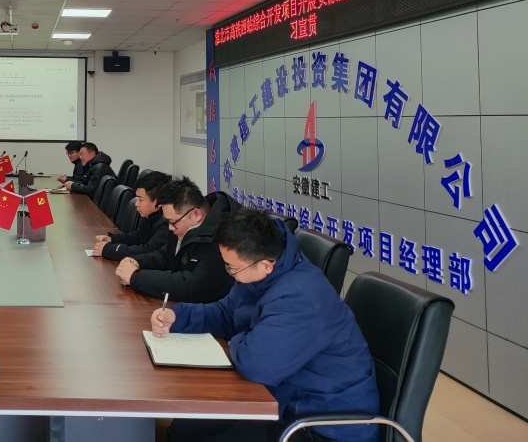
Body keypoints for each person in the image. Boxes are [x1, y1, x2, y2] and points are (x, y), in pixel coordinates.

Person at [151, 208, 379, 442]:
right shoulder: (262, 272)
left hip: (325, 424)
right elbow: (227, 313)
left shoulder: (301, 297)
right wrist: (178, 316)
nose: (229, 273)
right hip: (283, 397)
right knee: (186, 428)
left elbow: (256, 364)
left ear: (265, 265)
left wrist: (239, 339)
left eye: (232, 267)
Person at [115, 177, 235, 303]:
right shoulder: (184, 226)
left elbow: (190, 286)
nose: (170, 228)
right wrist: (137, 262)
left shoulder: (221, 238)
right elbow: (165, 256)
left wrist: (135, 277)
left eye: (172, 222)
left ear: (196, 214)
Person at [94, 170, 171, 262]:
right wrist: (112, 239)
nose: (136, 204)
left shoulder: (168, 224)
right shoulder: (151, 215)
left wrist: (110, 250)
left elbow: (148, 251)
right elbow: (139, 236)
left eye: (140, 199)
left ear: (158, 201)